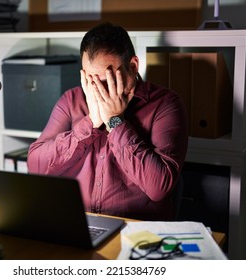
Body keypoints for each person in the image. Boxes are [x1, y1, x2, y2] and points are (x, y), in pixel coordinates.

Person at [27, 22, 188, 221]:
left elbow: (158, 188)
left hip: (136, 229)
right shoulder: (72, 100)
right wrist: (91, 122)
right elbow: (36, 166)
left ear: (133, 66)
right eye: (91, 81)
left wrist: (114, 121)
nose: (99, 91)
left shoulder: (165, 104)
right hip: (77, 222)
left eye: (107, 80)